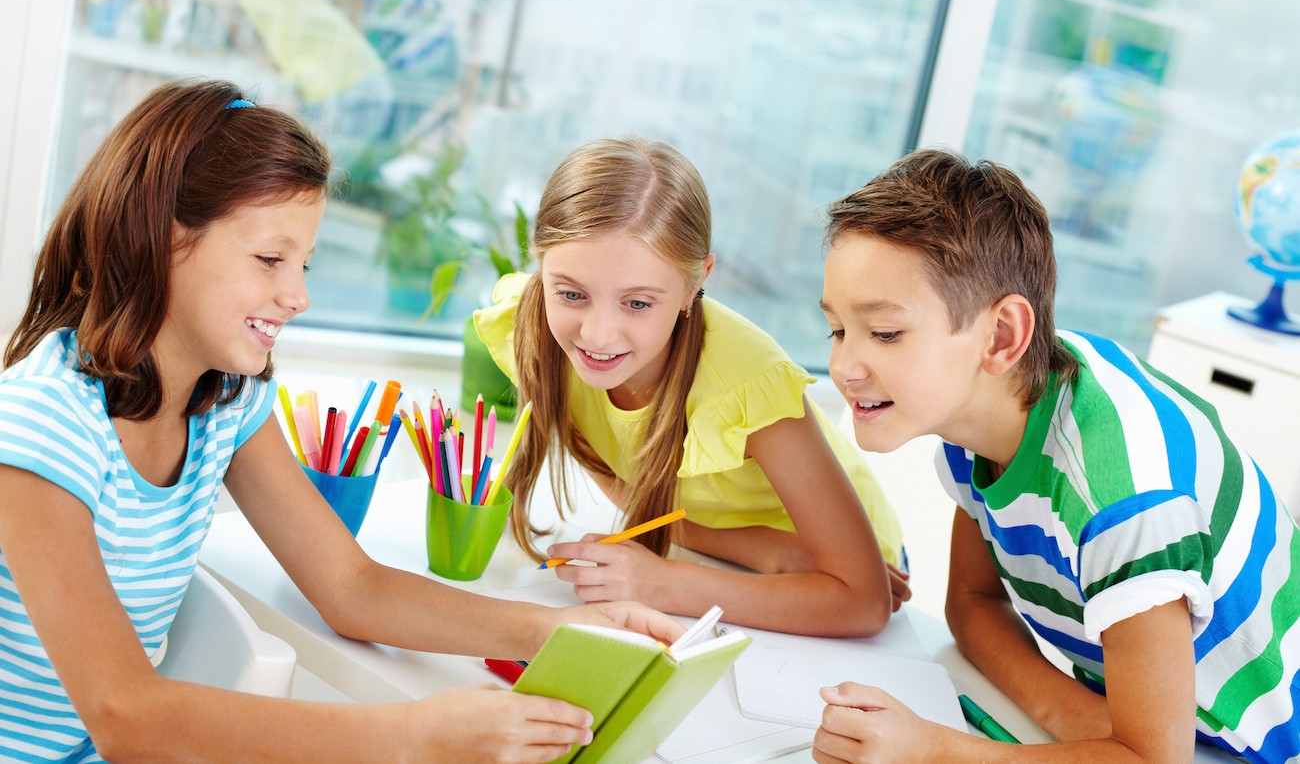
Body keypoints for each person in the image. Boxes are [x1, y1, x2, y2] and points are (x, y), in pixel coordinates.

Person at [0, 80, 680, 764]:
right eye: (270, 258)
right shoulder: (42, 426)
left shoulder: (225, 403)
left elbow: (352, 586)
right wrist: (417, 735)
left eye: (304, 264)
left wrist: (556, 630)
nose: (297, 295)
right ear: (163, 237)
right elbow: (126, 714)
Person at [815, 148, 1300, 763]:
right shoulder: (982, 413)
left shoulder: (1122, 495)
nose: (843, 367)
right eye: (837, 329)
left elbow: (1155, 759)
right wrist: (1078, 719)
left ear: (1003, 336)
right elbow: (972, 605)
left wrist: (935, 751)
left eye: (885, 333)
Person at [473, 135, 909, 637]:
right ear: (540, 263)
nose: (596, 334)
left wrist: (665, 583)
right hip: (734, 559)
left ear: (694, 284)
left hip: (842, 576)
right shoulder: (531, 323)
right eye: (571, 293)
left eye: (637, 303)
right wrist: (762, 549)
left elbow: (863, 602)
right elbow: (624, 478)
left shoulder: (747, 381)